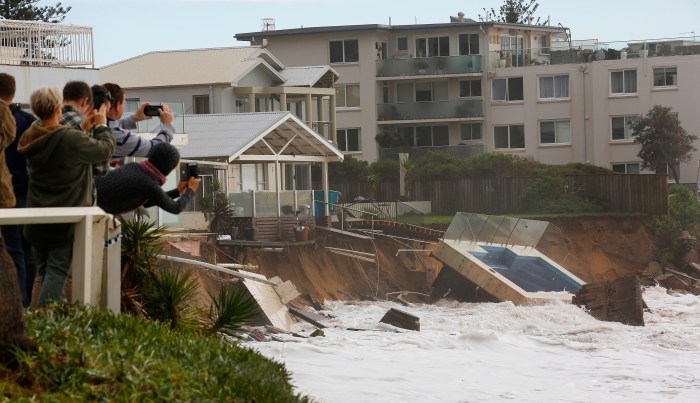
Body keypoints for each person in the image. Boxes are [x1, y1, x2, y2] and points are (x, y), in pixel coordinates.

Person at [18, 87, 116, 306]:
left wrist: (82, 128)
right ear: (58, 107)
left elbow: (58, 143)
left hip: (36, 217)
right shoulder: (68, 139)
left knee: (44, 273)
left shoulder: (32, 135)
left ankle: (46, 320)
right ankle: (46, 327)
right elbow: (104, 150)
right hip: (63, 219)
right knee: (56, 273)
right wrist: (101, 126)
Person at [0, 73, 37, 307]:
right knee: (25, 252)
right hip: (26, 194)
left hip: (8, 195)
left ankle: (16, 305)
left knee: (13, 251)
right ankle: (26, 305)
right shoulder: (30, 121)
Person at [95, 143, 201, 215]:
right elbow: (176, 208)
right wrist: (190, 190)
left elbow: (146, 202)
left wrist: (178, 191)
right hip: (92, 208)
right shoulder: (149, 184)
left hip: (86, 197)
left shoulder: (135, 167)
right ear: (167, 167)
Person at [103, 82, 175, 158]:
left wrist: (134, 118)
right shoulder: (120, 137)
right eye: (124, 103)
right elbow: (155, 149)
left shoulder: (95, 125)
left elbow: (112, 127)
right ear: (118, 106)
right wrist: (168, 125)